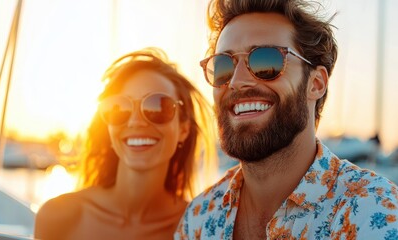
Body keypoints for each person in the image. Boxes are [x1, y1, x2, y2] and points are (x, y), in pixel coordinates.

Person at [175, 0, 398, 239]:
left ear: (316, 83)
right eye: (223, 66)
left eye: (265, 61)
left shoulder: (373, 212)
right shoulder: (199, 218)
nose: (237, 81)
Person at [35, 48, 218, 240]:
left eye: (157, 106)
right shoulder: (58, 217)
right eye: (120, 108)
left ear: (183, 129)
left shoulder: (198, 227)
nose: (135, 121)